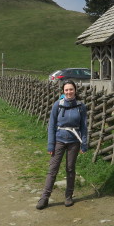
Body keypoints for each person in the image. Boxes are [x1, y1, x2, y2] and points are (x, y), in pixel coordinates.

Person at [36, 79, 88, 210]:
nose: (69, 92)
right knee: (53, 169)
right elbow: (52, 125)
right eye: (66, 90)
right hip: (59, 140)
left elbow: (84, 127)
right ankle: (44, 197)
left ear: (75, 90)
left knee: (70, 169)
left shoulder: (81, 106)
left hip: (74, 141)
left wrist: (84, 144)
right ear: (63, 92)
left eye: (71, 89)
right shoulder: (57, 105)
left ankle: (68, 196)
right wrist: (50, 144)